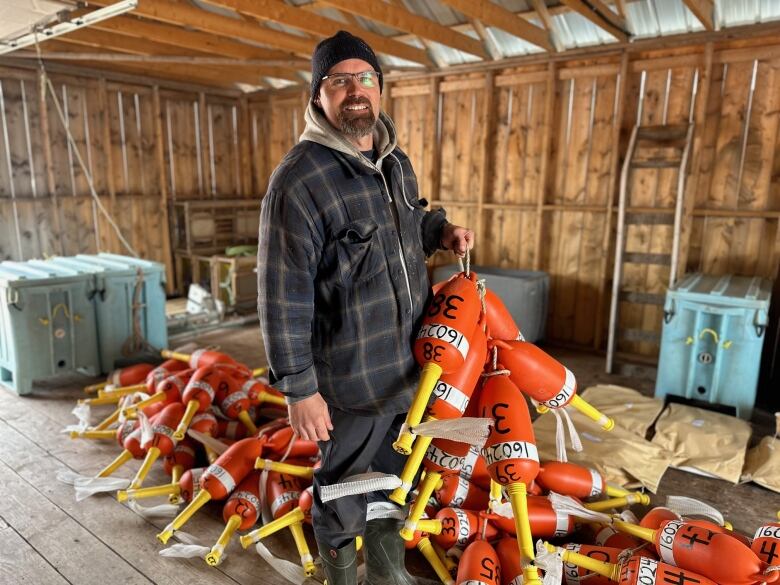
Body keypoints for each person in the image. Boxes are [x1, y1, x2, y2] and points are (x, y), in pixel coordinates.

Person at [257, 30, 474, 585]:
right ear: (319, 95)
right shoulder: (299, 181)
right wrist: (300, 388)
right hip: (348, 381)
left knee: (398, 479)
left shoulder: (394, 160)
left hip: (411, 370)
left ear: (380, 88)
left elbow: (403, 226)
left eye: (365, 78)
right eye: (339, 80)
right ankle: (343, 577)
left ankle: (386, 569)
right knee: (342, 491)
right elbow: (282, 295)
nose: (355, 90)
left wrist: (440, 230)